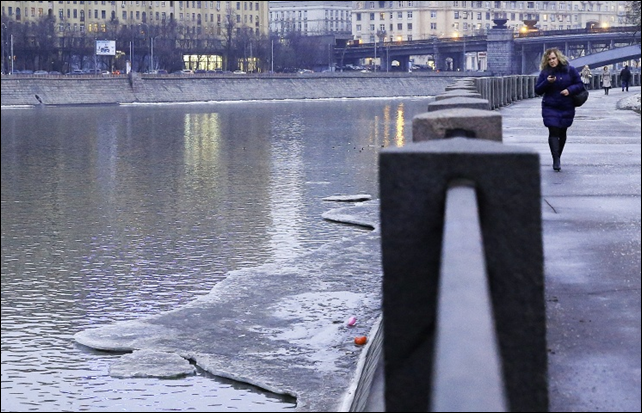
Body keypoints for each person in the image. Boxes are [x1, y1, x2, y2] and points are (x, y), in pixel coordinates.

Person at [535, 47, 584, 172]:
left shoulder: (570, 70)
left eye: (553, 58)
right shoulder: (545, 73)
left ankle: (558, 156)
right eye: (549, 59)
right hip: (550, 106)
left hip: (566, 106)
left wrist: (569, 90)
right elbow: (538, 90)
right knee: (553, 131)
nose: (552, 61)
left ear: (558, 58)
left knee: (562, 132)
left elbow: (579, 85)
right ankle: (555, 160)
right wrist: (547, 82)